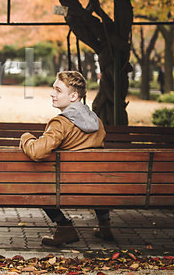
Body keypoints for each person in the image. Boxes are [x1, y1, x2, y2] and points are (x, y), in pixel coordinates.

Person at [19, 70, 113, 246]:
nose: (52, 93)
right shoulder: (97, 122)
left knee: (37, 184)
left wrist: (26, 137)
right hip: (97, 185)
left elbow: (37, 152)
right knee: (94, 172)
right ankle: (105, 223)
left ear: (73, 96)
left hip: (66, 186)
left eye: (58, 90)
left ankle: (64, 226)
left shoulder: (61, 123)